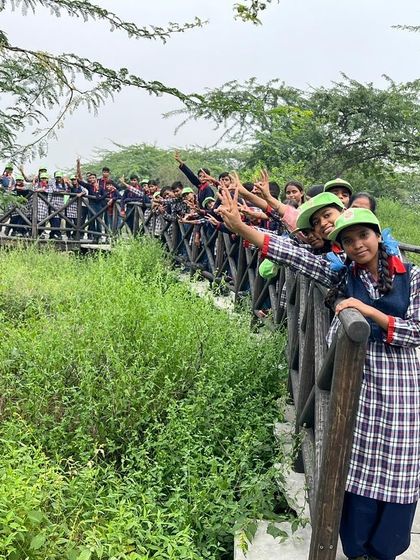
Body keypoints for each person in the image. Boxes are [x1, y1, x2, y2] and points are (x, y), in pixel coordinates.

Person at [218, 190, 420, 560]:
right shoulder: (339, 273)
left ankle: (387, 547)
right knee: (358, 460)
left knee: (401, 461)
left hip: (403, 385)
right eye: (348, 240)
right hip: (358, 381)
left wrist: (367, 311)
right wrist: (241, 227)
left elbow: (417, 330)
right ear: (340, 246)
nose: (358, 245)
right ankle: (356, 545)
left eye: (364, 236)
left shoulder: (414, 276)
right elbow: (290, 253)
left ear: (378, 235)